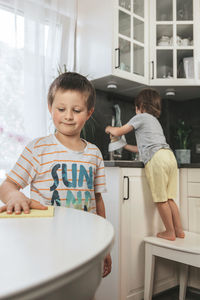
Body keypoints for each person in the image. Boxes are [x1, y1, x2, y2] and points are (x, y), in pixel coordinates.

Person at [0, 72, 111, 276]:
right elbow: (7, 185)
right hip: (47, 244)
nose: (68, 116)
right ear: (50, 108)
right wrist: (15, 195)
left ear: (89, 112)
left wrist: (104, 246)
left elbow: (97, 200)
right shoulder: (38, 149)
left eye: (76, 110)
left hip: (87, 243)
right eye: (61, 109)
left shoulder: (94, 153)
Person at [105, 88, 184, 241]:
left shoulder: (141, 117)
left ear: (140, 106)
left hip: (157, 159)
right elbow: (142, 149)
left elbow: (119, 131)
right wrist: (125, 147)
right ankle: (179, 231)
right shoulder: (155, 122)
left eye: (136, 108)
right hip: (169, 156)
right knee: (169, 199)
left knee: (161, 199)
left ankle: (169, 231)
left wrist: (110, 129)